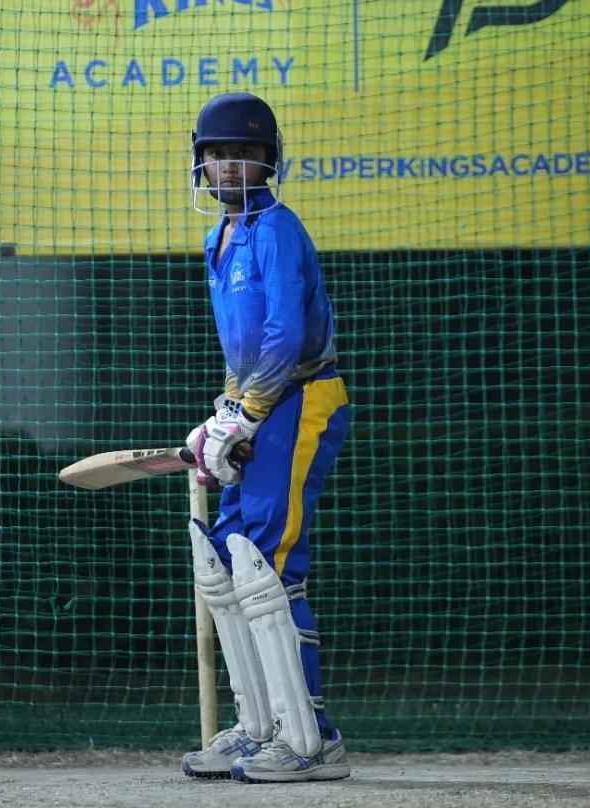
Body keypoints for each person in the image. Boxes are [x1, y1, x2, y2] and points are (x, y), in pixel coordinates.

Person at [178, 91, 352, 783]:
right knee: (228, 560)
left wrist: (246, 414)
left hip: (304, 397)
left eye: (245, 155)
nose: (230, 167)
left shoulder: (278, 229)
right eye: (218, 155)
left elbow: (282, 334)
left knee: (271, 562)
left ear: (269, 162)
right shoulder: (216, 239)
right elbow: (240, 342)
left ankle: (312, 739)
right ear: (200, 164)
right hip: (255, 403)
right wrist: (225, 413)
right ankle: (259, 727)